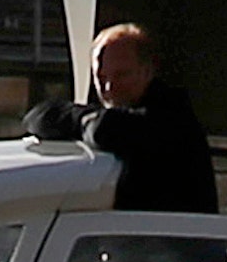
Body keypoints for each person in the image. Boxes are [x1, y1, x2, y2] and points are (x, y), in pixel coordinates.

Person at [65, 19, 217, 214]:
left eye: (121, 75)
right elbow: (40, 116)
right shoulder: (119, 111)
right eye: (101, 78)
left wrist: (81, 121)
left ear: (147, 71)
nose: (109, 88)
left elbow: (107, 129)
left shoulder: (171, 118)